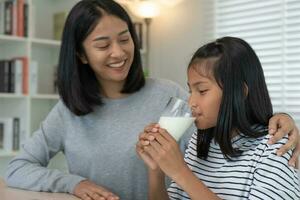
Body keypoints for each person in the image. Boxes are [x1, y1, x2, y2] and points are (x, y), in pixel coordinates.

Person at [4, 0, 299, 199]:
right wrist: (75, 184)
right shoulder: (68, 111)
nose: (118, 53)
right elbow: (17, 168)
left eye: (124, 38)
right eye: (103, 44)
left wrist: (278, 120)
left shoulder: (171, 97)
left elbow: (230, 114)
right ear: (80, 55)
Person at [137, 36, 300, 200]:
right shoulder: (200, 142)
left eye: (202, 91)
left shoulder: (275, 147)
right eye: (190, 90)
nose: (191, 101)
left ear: (240, 92)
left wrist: (180, 172)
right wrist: (156, 171)